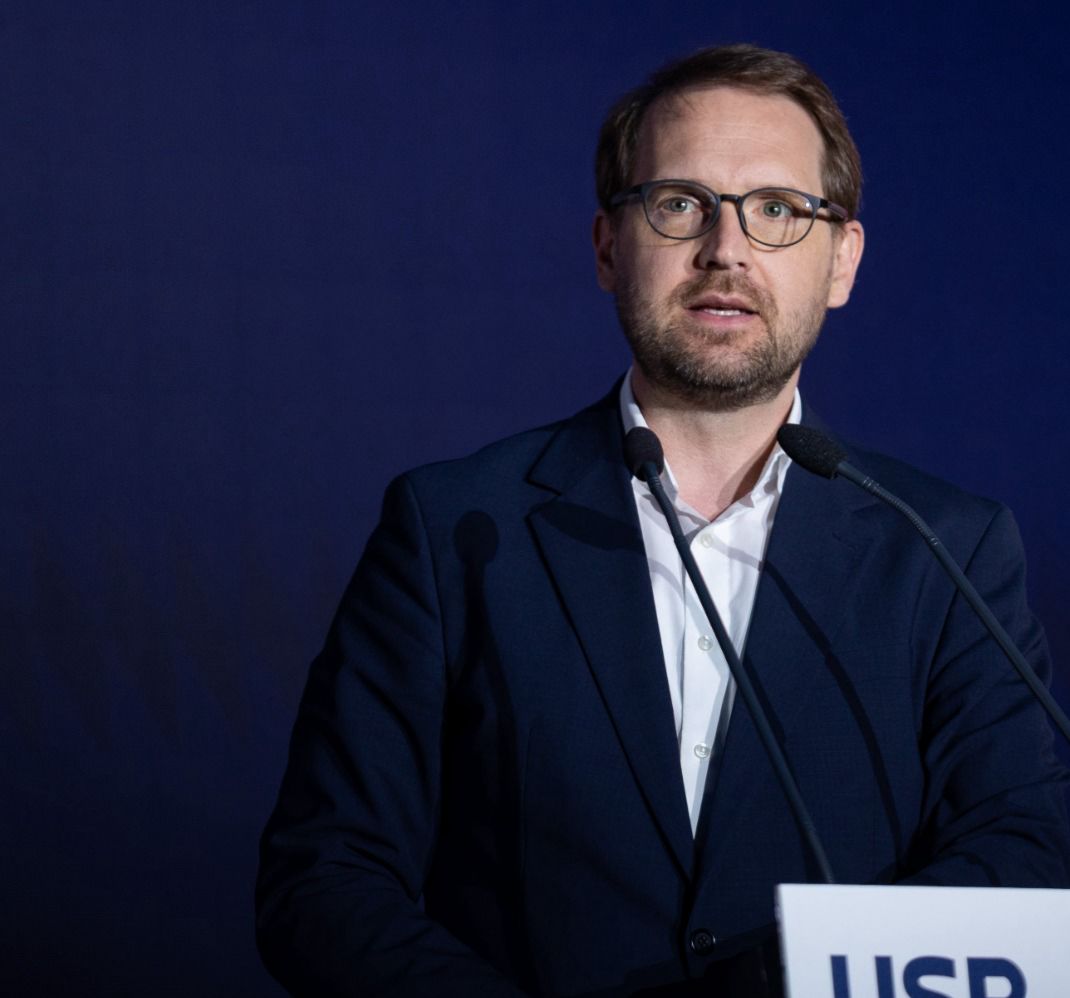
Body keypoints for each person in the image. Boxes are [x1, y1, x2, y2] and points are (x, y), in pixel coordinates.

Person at [256, 44, 1070, 997]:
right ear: (609, 247)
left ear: (842, 262)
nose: (727, 249)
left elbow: (1021, 856)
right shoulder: (453, 529)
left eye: (778, 210)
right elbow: (327, 880)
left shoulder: (946, 548)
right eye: (680, 203)